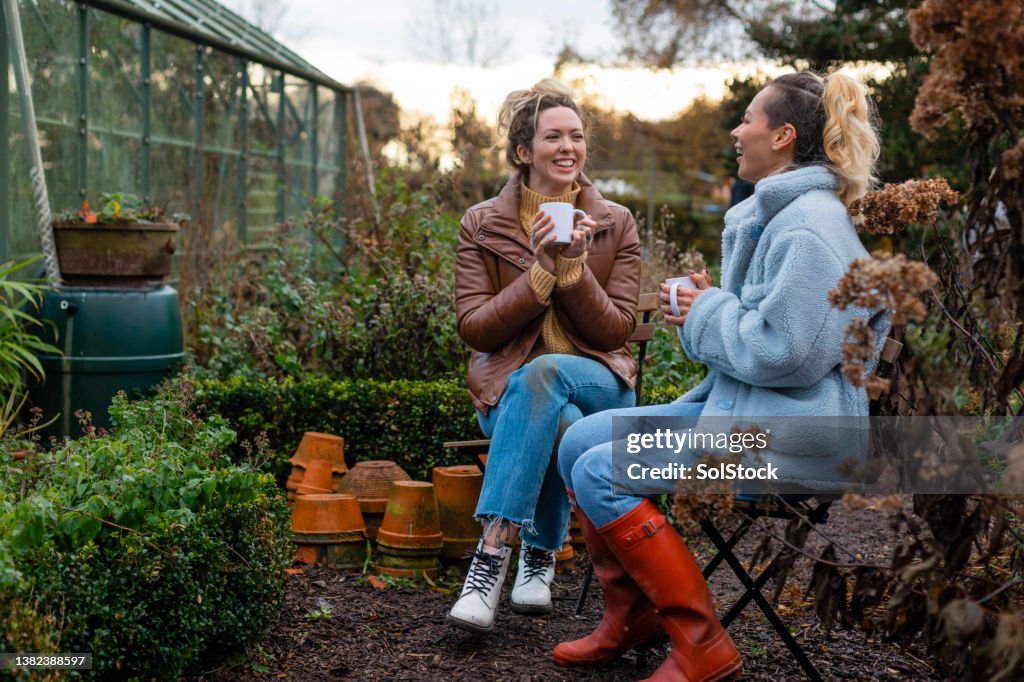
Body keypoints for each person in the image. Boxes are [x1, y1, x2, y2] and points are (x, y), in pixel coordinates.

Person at [552, 70, 891, 681]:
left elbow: (785, 354)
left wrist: (707, 310)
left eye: (748, 119)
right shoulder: (780, 216)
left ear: (783, 135)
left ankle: (702, 644)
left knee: (602, 470)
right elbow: (770, 334)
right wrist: (709, 307)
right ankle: (633, 618)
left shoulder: (809, 229)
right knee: (578, 440)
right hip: (748, 410)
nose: (737, 131)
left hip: (793, 438)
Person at [446, 79, 641, 633]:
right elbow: (476, 329)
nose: (568, 148)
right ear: (523, 152)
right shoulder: (481, 224)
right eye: (553, 136)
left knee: (549, 372)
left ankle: (489, 559)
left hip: (600, 378)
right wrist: (539, 272)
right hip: (509, 391)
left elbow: (616, 332)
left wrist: (573, 271)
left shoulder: (615, 222)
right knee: (556, 412)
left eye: (576, 136)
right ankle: (538, 555)